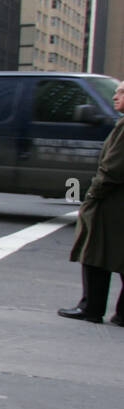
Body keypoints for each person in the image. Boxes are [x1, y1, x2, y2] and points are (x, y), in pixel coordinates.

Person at [57, 79, 124, 325]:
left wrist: (93, 194)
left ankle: (91, 308)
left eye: (121, 92)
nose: (116, 96)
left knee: (95, 251)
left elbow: (113, 168)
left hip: (112, 201)